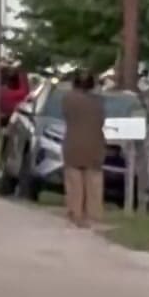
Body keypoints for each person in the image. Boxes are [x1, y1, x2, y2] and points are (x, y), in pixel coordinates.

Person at [61, 69, 105, 227]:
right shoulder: (98, 102)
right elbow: (102, 120)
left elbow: (66, 115)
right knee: (93, 181)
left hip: (72, 144)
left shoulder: (68, 99)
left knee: (74, 181)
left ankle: (76, 212)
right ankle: (93, 214)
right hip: (95, 144)